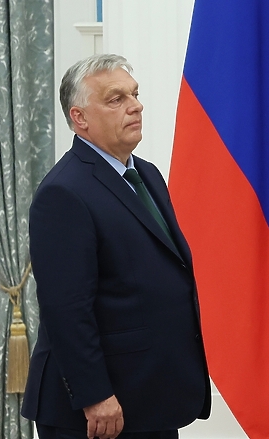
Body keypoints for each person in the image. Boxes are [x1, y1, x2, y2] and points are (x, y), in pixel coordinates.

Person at [22, 54, 211, 439]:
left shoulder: (147, 174)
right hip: (98, 411)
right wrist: (95, 395)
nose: (135, 105)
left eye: (135, 94)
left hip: (150, 396)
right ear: (80, 118)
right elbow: (66, 309)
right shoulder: (63, 192)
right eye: (115, 99)